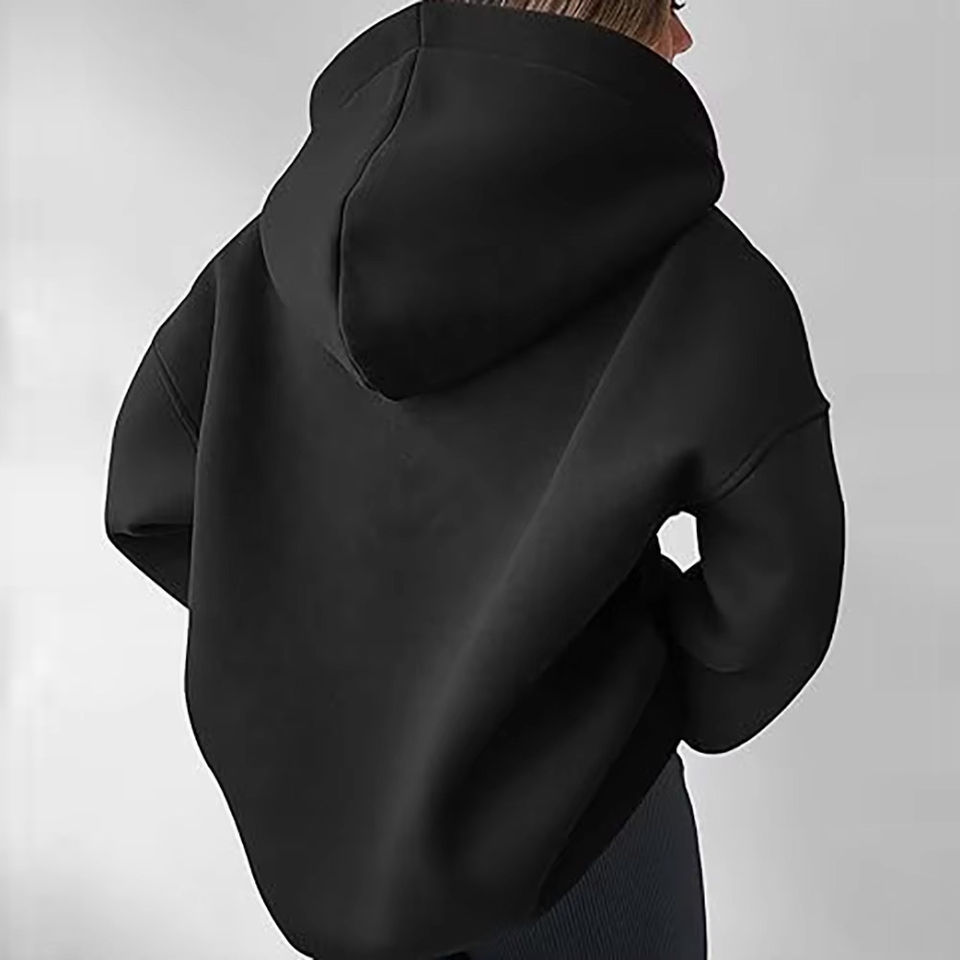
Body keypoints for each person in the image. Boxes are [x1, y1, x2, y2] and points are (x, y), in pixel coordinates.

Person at [103, 1, 846, 958]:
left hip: (329, 823)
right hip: (586, 838)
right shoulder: (709, 280)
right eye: (672, 4)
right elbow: (777, 593)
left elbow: (152, 491)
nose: (684, 38)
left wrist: (314, 640)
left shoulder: (273, 249)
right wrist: (628, 682)